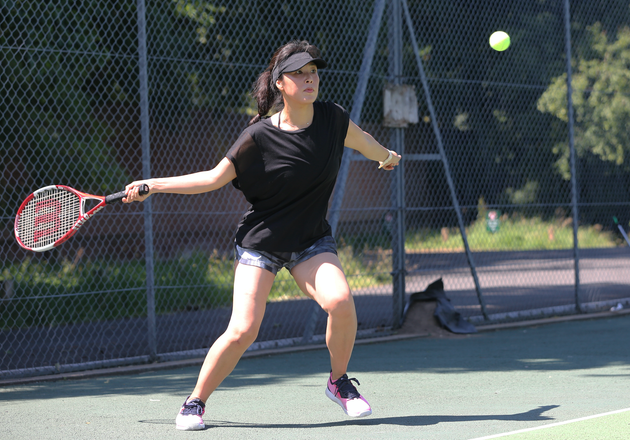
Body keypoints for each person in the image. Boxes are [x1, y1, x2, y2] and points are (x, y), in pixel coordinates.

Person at [123, 40, 401, 431]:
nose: (310, 79)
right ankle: (194, 402)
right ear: (280, 84)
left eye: (314, 72)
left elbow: (366, 144)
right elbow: (213, 178)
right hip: (262, 241)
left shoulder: (333, 119)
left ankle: (339, 383)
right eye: (299, 74)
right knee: (243, 330)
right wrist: (154, 184)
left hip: (310, 241)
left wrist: (387, 157)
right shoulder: (257, 136)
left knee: (340, 301)